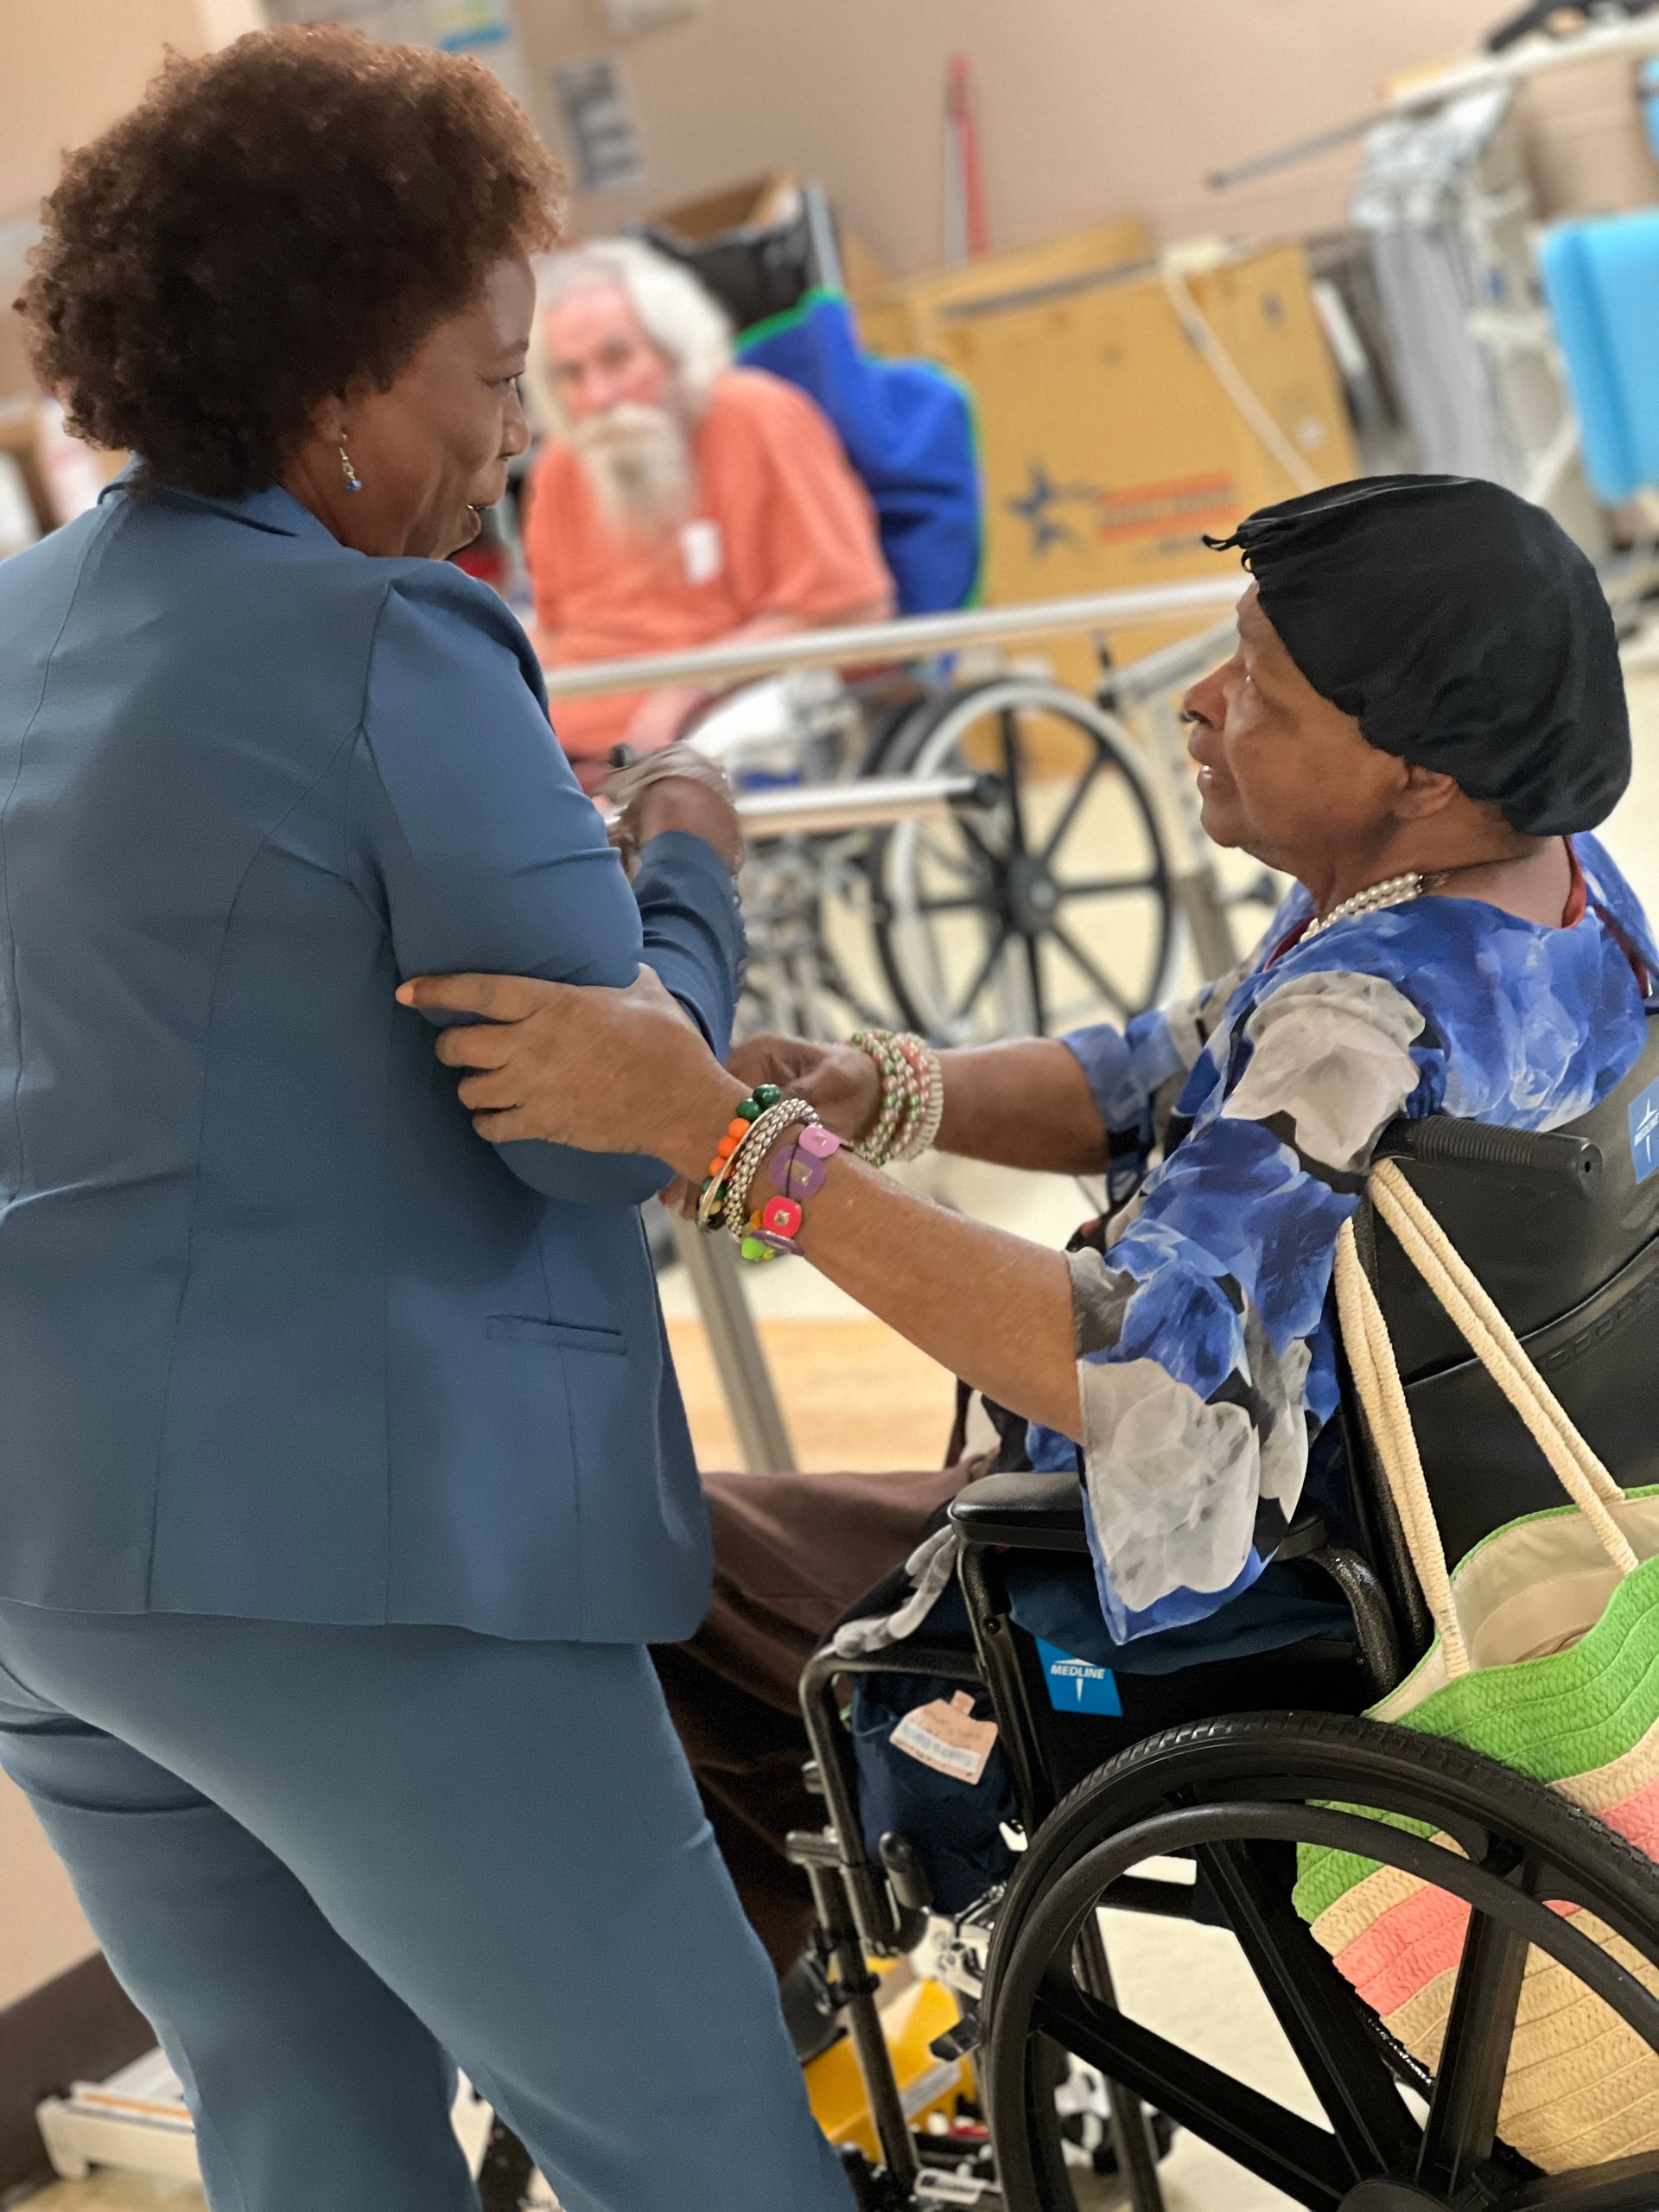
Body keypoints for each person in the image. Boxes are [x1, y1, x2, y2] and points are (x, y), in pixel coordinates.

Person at [401, 474, 1658, 2001]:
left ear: (1415, 774)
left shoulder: (1363, 1018)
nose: (1200, 705)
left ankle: (731, 2044)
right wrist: (884, 1094)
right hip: (1451, 1526)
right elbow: (1185, 1064)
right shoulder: (1557, 903)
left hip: (1250, 1594)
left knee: (646, 1562)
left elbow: (1129, 1363)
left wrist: (738, 1153)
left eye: (1257, 686)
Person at [0, 29, 852, 2212]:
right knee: (696, 2142)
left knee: (307, 2131)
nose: (513, 431)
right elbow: (594, 1115)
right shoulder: (391, 639)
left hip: (55, 1552)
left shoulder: (20, 628)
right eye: (486, 375)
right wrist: (688, 867)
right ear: (328, 394)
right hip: (362, 1548)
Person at [520, 238, 893, 784]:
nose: (598, 396)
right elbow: (554, 629)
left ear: (674, 350)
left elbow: (852, 607)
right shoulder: (561, 466)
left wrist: (687, 687)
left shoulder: (759, 418)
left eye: (617, 358)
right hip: (577, 729)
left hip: (710, 717)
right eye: (571, 375)